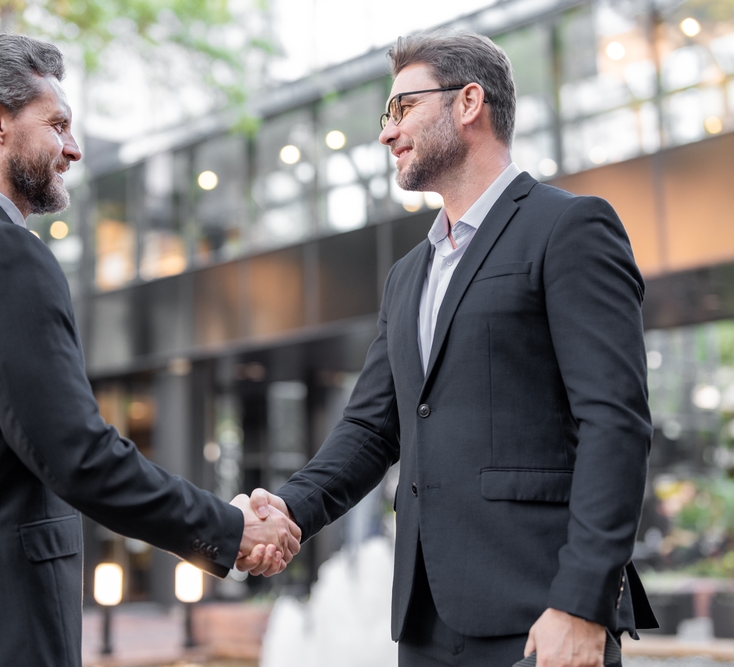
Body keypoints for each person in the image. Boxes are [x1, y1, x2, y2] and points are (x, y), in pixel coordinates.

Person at [0, 34, 296, 667]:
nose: (74, 149)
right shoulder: (3, 251)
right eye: (57, 125)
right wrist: (229, 528)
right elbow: (76, 454)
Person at [250, 30, 658, 667]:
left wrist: (583, 602)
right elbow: (370, 429)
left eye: (403, 107)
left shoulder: (570, 227)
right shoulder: (407, 274)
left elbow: (615, 423)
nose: (388, 132)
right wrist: (288, 510)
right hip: (425, 621)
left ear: (469, 102)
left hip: (541, 615)